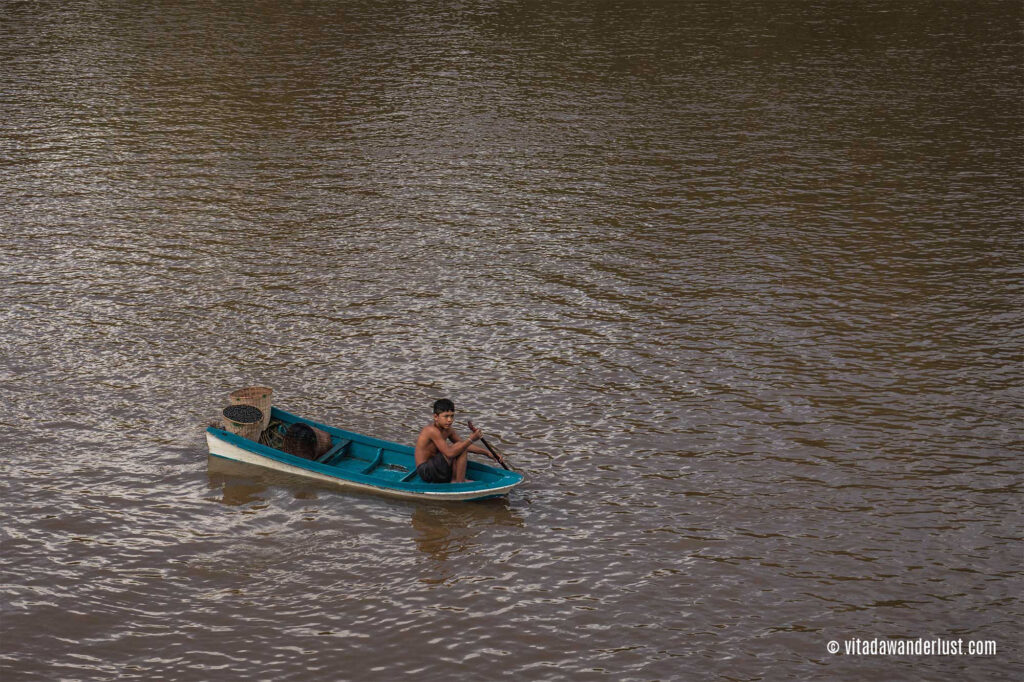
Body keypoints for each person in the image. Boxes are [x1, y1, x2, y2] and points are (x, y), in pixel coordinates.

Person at [414, 399, 489, 483]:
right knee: (460, 447)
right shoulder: (431, 430)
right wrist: (471, 439)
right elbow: (450, 453)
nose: (450, 420)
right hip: (426, 471)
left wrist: (487, 453)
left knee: (460, 446)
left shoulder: (449, 430)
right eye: (446, 416)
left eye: (452, 416)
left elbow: (465, 445)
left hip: (438, 467)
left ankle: (454, 479)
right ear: (436, 417)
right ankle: (460, 482)